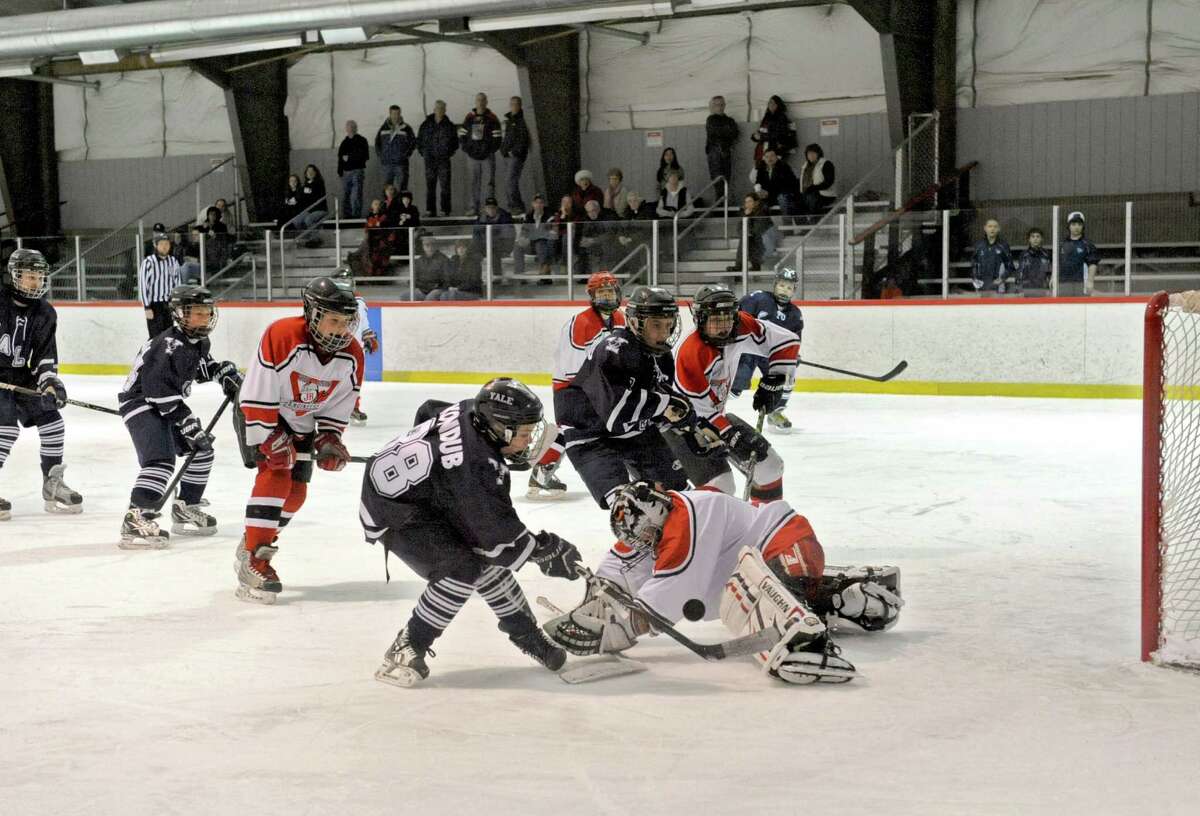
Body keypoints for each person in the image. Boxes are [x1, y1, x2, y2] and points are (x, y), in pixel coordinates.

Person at [544, 483, 903, 684]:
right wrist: (594, 604)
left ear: (657, 517)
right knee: (750, 597)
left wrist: (611, 633)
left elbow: (662, 606)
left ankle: (806, 636)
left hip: (787, 544)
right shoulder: (652, 516)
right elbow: (620, 563)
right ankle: (848, 597)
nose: (647, 544)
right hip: (763, 564)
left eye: (650, 536)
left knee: (765, 594)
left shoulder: (685, 522)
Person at [360, 378, 583, 686]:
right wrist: (543, 549)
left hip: (422, 497)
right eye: (524, 434)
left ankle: (527, 634)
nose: (529, 442)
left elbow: (428, 411)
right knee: (461, 568)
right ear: (501, 427)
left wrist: (437, 475)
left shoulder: (472, 411)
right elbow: (498, 533)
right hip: (394, 510)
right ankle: (408, 645)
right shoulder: (475, 464)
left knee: (485, 555)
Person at [234, 277, 363, 604]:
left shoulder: (352, 355)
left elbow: (339, 403)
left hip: (300, 420)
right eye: (333, 320)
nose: (340, 329)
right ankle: (255, 559)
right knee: (275, 476)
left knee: (296, 494)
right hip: (260, 410)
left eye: (346, 322)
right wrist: (269, 437)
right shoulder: (283, 334)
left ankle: (255, 536)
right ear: (312, 314)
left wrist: (330, 439)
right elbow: (256, 392)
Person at [117, 285, 242, 548]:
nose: (203, 318)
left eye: (206, 312)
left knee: (201, 451)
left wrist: (222, 372)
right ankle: (136, 517)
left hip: (163, 403)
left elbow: (199, 366)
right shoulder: (168, 345)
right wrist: (188, 422)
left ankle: (186, 506)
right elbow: (158, 391)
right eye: (196, 313)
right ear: (180, 314)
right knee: (160, 461)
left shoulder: (196, 341)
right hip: (141, 404)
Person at [555, 285, 690, 509]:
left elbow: (658, 398)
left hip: (633, 431)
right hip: (590, 435)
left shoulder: (662, 354)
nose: (664, 333)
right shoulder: (615, 349)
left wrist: (687, 423)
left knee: (678, 496)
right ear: (635, 322)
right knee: (628, 508)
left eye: (668, 325)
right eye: (656, 325)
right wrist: (666, 404)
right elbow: (618, 413)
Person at [671, 284, 798, 503]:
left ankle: (764, 526)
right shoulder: (689, 354)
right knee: (720, 486)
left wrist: (774, 379)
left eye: (728, 318)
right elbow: (698, 411)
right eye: (715, 320)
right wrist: (729, 433)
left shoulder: (739, 326)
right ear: (700, 319)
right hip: (681, 426)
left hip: (715, 418)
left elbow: (786, 341)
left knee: (770, 468)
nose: (723, 327)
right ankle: (701, 531)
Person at [529, 272, 627, 499]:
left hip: (599, 387)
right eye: (601, 293)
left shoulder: (621, 319)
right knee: (575, 430)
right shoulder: (580, 323)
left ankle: (542, 471)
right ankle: (542, 471)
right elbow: (573, 367)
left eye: (610, 291)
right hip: (573, 387)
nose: (606, 296)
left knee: (576, 430)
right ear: (592, 296)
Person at [0, 249, 80, 522]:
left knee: (53, 423)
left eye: (38, 277)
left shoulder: (45, 312)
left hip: (21, 377)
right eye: (29, 276)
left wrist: (49, 384)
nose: (35, 282)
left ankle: (52, 483)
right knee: (6, 430)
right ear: (14, 276)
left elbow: (45, 356)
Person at [735, 268, 803, 432]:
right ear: (775, 285)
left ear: (794, 290)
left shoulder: (795, 314)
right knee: (735, 385)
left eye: (789, 287)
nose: (784, 290)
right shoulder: (757, 299)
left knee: (786, 378)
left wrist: (794, 356)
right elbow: (739, 321)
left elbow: (793, 341)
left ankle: (774, 412)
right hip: (748, 351)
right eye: (781, 285)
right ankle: (714, 409)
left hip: (771, 356)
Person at [332, 266, 379, 426]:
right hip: (335, 347)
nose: (344, 284)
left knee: (354, 381)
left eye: (346, 281)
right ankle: (329, 409)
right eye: (341, 281)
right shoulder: (330, 301)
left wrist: (368, 335)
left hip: (356, 349)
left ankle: (352, 408)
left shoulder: (358, 300)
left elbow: (363, 320)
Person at [459, 92, 503, 216]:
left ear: (486, 102)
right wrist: (468, 150)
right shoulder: (469, 117)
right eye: (478, 100)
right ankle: (474, 208)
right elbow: (462, 134)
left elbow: (497, 137)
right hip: (472, 157)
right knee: (474, 182)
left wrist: (488, 150)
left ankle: (490, 209)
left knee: (489, 182)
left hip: (487, 156)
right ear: (475, 102)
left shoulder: (492, 117)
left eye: (483, 100)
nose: (480, 102)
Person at [417, 100, 458, 218]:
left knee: (445, 186)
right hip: (429, 160)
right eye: (437, 108)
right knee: (430, 186)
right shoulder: (425, 125)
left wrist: (447, 153)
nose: (439, 110)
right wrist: (424, 153)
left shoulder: (449, 125)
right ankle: (430, 210)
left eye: (442, 108)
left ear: (445, 110)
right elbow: (419, 141)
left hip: (444, 161)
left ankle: (445, 210)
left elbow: (455, 143)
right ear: (434, 109)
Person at [139, 231, 182, 338]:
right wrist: (147, 307)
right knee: (155, 339)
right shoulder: (148, 262)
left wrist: (177, 304)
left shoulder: (173, 261)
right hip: (154, 306)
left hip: (169, 305)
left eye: (167, 244)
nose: (164, 246)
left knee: (169, 338)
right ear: (155, 245)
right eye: (162, 244)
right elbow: (143, 285)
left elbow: (177, 284)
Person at [727, 193, 778, 272]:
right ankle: (752, 266)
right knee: (745, 239)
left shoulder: (763, 213)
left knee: (746, 239)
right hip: (755, 241)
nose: (747, 204)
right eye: (746, 202)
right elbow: (740, 229)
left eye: (750, 201)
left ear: (756, 202)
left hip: (766, 241)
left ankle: (741, 267)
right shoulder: (745, 214)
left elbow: (757, 230)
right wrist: (746, 217)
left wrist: (748, 218)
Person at [473, 197, 516, 280]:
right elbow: (476, 234)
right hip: (485, 245)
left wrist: (507, 250)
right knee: (473, 254)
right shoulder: (481, 218)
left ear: (497, 208)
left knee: (493, 253)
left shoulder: (505, 217)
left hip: (500, 247)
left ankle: (497, 277)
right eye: (488, 208)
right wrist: (477, 247)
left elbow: (509, 236)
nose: (491, 210)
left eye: (493, 208)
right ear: (485, 208)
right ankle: (476, 278)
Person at [375, 105, 416, 192]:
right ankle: (388, 206)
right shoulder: (383, 128)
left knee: (403, 189)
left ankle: (401, 206)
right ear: (389, 114)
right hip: (387, 164)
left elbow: (413, 143)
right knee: (386, 191)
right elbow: (377, 143)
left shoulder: (406, 128)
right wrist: (381, 156)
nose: (395, 116)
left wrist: (405, 155)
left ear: (400, 114)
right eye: (393, 114)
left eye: (397, 114)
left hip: (401, 165)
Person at [500, 96, 531, 213]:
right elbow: (506, 137)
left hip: (516, 156)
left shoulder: (523, 120)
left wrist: (514, 152)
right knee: (507, 183)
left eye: (516, 104)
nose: (514, 106)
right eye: (512, 104)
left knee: (510, 182)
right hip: (506, 156)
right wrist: (503, 150)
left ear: (520, 105)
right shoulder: (509, 120)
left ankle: (517, 206)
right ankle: (512, 207)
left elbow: (524, 139)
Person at [1060, 211, 1100, 296]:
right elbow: (1056, 262)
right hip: (1062, 283)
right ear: (1069, 226)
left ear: (1083, 226)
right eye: (1073, 224)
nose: (1076, 227)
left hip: (1081, 283)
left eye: (1079, 224)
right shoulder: (1062, 244)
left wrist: (1090, 281)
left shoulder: (1088, 244)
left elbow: (1093, 264)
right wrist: (1053, 277)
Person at [971, 218, 1014, 294]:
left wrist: (1002, 278)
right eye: (990, 226)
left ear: (999, 229)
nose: (992, 229)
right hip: (982, 286)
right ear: (985, 228)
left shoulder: (1003, 245)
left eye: (995, 226)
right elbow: (974, 263)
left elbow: (1010, 266)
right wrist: (975, 277)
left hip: (998, 287)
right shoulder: (979, 245)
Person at [337, 120, 370, 219]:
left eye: (352, 127)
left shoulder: (362, 140)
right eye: (348, 127)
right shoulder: (344, 142)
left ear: (356, 128)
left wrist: (350, 157)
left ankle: (356, 216)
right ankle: (347, 217)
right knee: (345, 196)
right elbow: (340, 158)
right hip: (346, 172)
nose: (350, 129)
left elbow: (365, 156)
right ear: (346, 129)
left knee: (355, 196)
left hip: (357, 171)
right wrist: (340, 172)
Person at [705, 95, 739, 186]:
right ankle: (719, 200)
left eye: (721, 104)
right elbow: (715, 134)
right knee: (718, 182)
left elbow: (735, 134)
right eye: (716, 105)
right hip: (715, 155)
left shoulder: (730, 120)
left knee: (726, 182)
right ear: (712, 107)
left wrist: (724, 133)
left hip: (726, 154)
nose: (719, 107)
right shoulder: (711, 120)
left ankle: (726, 200)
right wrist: (726, 132)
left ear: (724, 105)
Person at [754, 147, 799, 215]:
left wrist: (768, 192)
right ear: (764, 159)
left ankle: (787, 223)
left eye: (772, 156)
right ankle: (766, 225)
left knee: (782, 198)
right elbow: (758, 181)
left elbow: (784, 185)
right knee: (758, 203)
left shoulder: (784, 167)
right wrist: (759, 191)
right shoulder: (761, 168)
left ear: (777, 157)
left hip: (783, 194)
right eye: (767, 156)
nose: (769, 158)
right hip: (769, 197)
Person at [750, 94, 796, 162]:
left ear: (778, 105)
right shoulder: (766, 117)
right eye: (769, 103)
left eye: (773, 103)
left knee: (773, 170)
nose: (771, 105)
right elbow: (762, 130)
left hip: (775, 150)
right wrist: (754, 136)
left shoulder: (781, 117)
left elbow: (780, 135)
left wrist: (762, 137)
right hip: (763, 149)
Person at [577, 199, 618, 274]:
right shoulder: (586, 219)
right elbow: (583, 234)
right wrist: (584, 240)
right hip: (592, 245)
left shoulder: (608, 216)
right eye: (588, 211)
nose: (591, 213)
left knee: (605, 247)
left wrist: (593, 240)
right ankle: (584, 276)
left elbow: (610, 234)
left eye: (593, 210)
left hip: (607, 243)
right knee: (581, 248)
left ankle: (603, 275)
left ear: (598, 209)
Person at [520, 194, 556, 278]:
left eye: (541, 203)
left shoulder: (549, 215)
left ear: (544, 204)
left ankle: (544, 273)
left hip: (543, 241)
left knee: (541, 244)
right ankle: (520, 275)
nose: (539, 205)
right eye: (536, 203)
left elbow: (550, 232)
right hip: (531, 241)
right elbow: (524, 231)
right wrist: (523, 238)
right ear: (533, 204)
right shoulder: (528, 216)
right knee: (518, 246)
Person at [798, 143, 837, 216]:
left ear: (819, 153)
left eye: (813, 153)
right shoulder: (805, 165)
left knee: (812, 198)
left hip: (825, 195)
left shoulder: (826, 163)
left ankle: (814, 221)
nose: (811, 156)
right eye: (809, 154)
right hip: (807, 194)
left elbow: (829, 182)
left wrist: (813, 188)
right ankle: (802, 224)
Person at [295, 164, 328, 247]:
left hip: (320, 209)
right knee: (296, 221)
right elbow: (302, 199)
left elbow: (319, 197)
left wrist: (310, 192)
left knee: (308, 219)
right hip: (309, 210)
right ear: (305, 173)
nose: (310, 173)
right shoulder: (304, 186)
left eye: (312, 171)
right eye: (308, 171)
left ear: (316, 173)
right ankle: (308, 237)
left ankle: (316, 239)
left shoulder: (319, 183)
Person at [1015, 227, 1052, 295]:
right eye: (1033, 236)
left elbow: (1050, 273)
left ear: (1042, 239)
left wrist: (1050, 288)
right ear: (1029, 239)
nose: (1035, 239)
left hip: (1043, 289)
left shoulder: (1047, 254)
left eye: (1038, 236)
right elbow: (1019, 273)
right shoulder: (1024, 254)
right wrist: (1019, 288)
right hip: (1027, 289)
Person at [413, 234, 449, 301]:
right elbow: (414, 279)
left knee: (430, 298)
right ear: (423, 246)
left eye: (432, 245)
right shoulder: (419, 260)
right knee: (406, 296)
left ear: (436, 246)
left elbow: (447, 280)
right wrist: (421, 286)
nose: (430, 247)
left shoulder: (444, 259)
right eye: (427, 245)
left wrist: (435, 286)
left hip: (438, 289)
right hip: (422, 289)